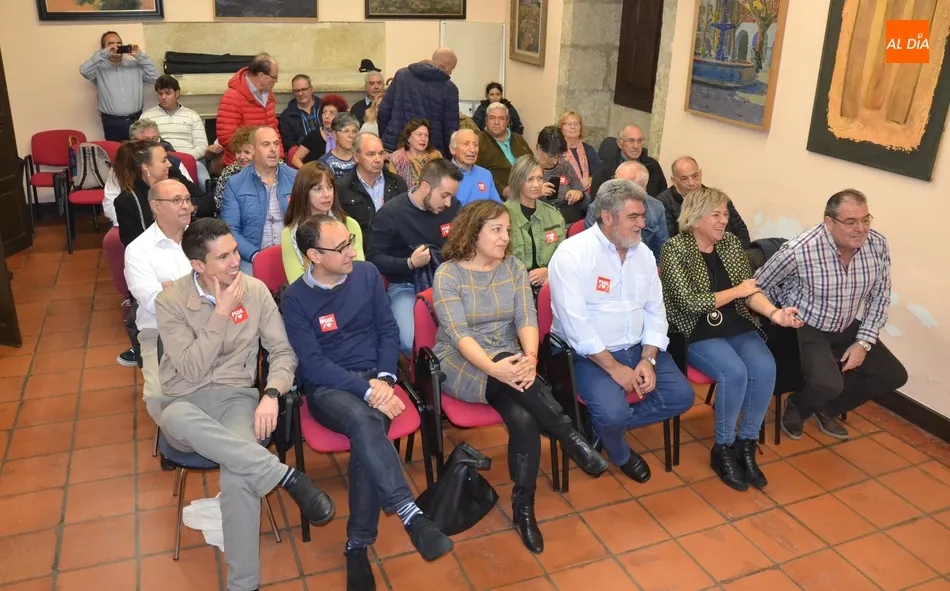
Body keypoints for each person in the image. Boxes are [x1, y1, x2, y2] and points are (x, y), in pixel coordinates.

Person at [153, 218, 335, 591]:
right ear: (198, 265)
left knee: (239, 476)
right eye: (223, 257)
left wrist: (272, 394)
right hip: (183, 401)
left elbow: (283, 352)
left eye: (235, 251)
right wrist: (221, 313)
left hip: (236, 399)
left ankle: (243, 585)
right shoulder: (169, 302)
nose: (236, 261)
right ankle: (284, 476)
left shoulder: (255, 291)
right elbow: (191, 368)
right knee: (179, 418)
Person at [281, 215, 454, 589]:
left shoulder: (367, 274)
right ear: (314, 255)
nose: (351, 252)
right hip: (329, 389)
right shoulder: (295, 299)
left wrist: (386, 379)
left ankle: (357, 545)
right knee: (364, 421)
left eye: (350, 242)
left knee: (366, 433)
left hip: (378, 380)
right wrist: (369, 392)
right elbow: (314, 364)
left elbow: (387, 330)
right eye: (340, 247)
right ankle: (408, 512)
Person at [432, 200, 607, 553]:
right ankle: (569, 435)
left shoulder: (512, 267)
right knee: (508, 371)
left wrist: (530, 357)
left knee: (524, 419)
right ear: (473, 232)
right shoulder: (448, 274)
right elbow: (458, 334)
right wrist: (495, 367)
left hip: (508, 360)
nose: (504, 237)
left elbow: (527, 317)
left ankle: (523, 504)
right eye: (496, 230)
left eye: (507, 230)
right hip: (461, 360)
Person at [549, 179, 695, 482]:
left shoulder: (643, 254)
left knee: (681, 398)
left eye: (643, 216)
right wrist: (615, 368)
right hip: (589, 355)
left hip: (638, 347)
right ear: (608, 217)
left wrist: (648, 359)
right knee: (613, 414)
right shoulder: (572, 253)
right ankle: (620, 453)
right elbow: (577, 327)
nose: (643, 224)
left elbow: (656, 310)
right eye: (634, 217)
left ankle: (599, 428)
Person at [659, 187, 803, 491]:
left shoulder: (730, 244)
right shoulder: (674, 249)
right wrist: (736, 291)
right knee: (734, 373)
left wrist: (775, 313)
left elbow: (749, 292)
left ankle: (746, 444)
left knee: (766, 367)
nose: (724, 220)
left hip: (734, 323)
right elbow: (689, 302)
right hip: (695, 328)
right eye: (716, 215)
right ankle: (722, 448)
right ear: (695, 217)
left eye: (725, 214)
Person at [755, 189, 908, 440]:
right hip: (807, 324)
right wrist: (777, 314)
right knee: (828, 383)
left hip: (845, 323)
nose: (861, 229)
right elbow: (759, 284)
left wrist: (863, 342)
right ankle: (798, 406)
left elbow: (879, 297)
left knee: (893, 374)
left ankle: (826, 408)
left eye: (865, 219)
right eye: (850, 222)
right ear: (829, 222)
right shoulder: (801, 249)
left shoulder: (877, 244)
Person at [367, 159, 462, 357]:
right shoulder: (391, 213)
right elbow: (374, 259)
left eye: (451, 196)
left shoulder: (453, 208)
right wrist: (409, 263)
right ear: (425, 187)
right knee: (411, 341)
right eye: (444, 195)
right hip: (406, 285)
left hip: (449, 282)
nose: (448, 203)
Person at [123, 179, 195, 405]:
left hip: (208, 325)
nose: (186, 206)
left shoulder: (202, 239)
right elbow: (156, 304)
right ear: (156, 207)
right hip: (159, 332)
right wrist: (196, 291)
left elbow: (222, 284)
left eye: (187, 199)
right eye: (177, 200)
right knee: (158, 398)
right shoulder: (138, 250)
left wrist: (173, 289)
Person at [220, 127, 297, 274]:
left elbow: (308, 220)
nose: (273, 149)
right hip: (251, 256)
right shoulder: (235, 184)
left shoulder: (296, 178)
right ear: (252, 149)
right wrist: (255, 255)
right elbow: (230, 229)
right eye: (266, 144)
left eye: (276, 144)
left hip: (293, 253)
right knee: (248, 283)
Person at [113, 139, 207, 247]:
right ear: (146, 167)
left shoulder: (174, 176)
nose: (170, 164)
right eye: (164, 160)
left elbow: (208, 202)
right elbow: (132, 244)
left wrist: (190, 207)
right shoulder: (127, 200)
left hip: (189, 244)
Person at [104, 118, 197, 226]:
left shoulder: (173, 164)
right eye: (147, 140)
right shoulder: (120, 169)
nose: (154, 144)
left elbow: (193, 195)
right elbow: (109, 205)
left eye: (156, 139)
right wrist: (129, 221)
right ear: (134, 143)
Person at [282, 162, 364, 283]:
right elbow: (296, 281)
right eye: (318, 189)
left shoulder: (350, 224)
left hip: (350, 288)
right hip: (311, 292)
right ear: (303, 192)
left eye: (330, 187)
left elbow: (359, 270)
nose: (327, 194)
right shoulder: (289, 233)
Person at [378, 48, 459, 158]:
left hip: (394, 146)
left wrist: (387, 137)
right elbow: (450, 128)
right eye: (452, 69)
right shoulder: (449, 88)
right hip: (429, 151)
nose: (450, 73)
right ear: (446, 64)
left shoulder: (401, 75)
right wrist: (448, 156)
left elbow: (384, 111)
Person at [80, 30, 159, 141]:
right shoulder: (98, 69)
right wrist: (104, 53)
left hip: (136, 120)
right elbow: (84, 71)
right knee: (115, 151)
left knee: (139, 151)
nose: (116, 47)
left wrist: (140, 56)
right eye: (111, 44)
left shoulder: (135, 65)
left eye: (119, 43)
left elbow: (154, 77)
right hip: (112, 123)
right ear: (104, 48)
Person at [656, 157, 751, 247]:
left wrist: (734, 254)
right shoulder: (663, 203)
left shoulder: (718, 198)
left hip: (726, 252)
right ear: (674, 181)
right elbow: (669, 240)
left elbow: (741, 230)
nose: (691, 183)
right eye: (684, 179)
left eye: (695, 176)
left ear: (700, 174)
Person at [584, 161, 669, 261]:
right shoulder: (597, 207)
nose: (615, 189)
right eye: (615, 181)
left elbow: (661, 252)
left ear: (642, 189)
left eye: (623, 186)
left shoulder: (656, 208)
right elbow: (593, 250)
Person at [140, 75, 213, 187]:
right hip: (159, 163)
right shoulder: (147, 116)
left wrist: (183, 158)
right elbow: (140, 146)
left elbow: (202, 146)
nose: (163, 97)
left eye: (167, 93)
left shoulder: (192, 116)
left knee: (205, 183)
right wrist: (164, 160)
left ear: (177, 93)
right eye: (160, 94)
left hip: (190, 160)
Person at [504, 155, 564, 289]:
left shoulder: (554, 216)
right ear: (517, 181)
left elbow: (563, 256)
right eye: (530, 179)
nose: (536, 185)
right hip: (513, 286)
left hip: (548, 283)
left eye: (540, 178)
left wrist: (549, 270)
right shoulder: (502, 216)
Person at [336, 132, 408, 239]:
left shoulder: (397, 183)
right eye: (371, 154)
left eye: (381, 153)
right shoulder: (342, 187)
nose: (378, 160)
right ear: (356, 157)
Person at [216, 53, 283, 166]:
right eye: (274, 77)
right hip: (242, 164)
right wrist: (257, 154)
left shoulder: (269, 94)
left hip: (268, 161)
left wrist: (279, 156)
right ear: (261, 76)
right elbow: (226, 137)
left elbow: (273, 129)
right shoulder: (232, 97)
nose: (275, 81)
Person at [476, 102, 533, 198]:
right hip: (500, 195)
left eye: (501, 118)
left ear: (507, 121)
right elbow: (477, 175)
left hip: (528, 189)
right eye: (492, 118)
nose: (496, 122)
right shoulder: (478, 142)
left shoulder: (519, 139)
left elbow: (533, 164)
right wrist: (501, 190)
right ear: (486, 120)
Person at [593, 125, 666, 198]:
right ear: (620, 143)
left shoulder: (653, 166)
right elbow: (597, 200)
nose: (636, 146)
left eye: (639, 141)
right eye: (631, 141)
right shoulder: (604, 169)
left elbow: (662, 196)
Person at [535, 126, 586, 225]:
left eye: (559, 156)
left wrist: (578, 194)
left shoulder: (564, 165)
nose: (555, 161)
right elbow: (516, 201)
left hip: (569, 216)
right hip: (544, 222)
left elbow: (580, 190)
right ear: (539, 149)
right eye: (551, 156)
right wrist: (536, 194)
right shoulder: (529, 169)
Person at [292, 94, 349, 168]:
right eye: (324, 112)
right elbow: (295, 159)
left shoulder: (345, 136)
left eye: (331, 113)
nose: (326, 116)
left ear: (340, 117)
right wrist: (307, 172)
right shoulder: (313, 136)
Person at [387, 119, 444, 188]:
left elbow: (444, 180)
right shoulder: (396, 158)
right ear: (408, 137)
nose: (423, 139)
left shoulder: (435, 155)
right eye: (419, 134)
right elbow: (393, 186)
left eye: (426, 135)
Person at [450, 129, 501, 206]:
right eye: (466, 144)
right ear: (452, 149)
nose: (472, 150)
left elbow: (497, 206)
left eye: (475, 145)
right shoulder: (445, 174)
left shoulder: (485, 174)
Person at [212, 126, 256, 210]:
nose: (242, 157)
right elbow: (219, 203)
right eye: (238, 152)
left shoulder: (269, 170)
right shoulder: (229, 171)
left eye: (247, 152)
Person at [558, 111, 601, 194]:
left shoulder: (589, 149)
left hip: (589, 193)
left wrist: (590, 179)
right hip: (566, 193)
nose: (573, 127)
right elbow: (555, 177)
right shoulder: (557, 151)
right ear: (561, 129)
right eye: (569, 124)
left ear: (580, 128)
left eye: (576, 124)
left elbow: (600, 172)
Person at [279, 74, 323, 151]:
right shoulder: (286, 115)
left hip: (327, 151)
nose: (300, 94)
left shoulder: (324, 107)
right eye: (296, 91)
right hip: (302, 154)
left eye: (304, 89)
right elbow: (288, 142)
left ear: (311, 89)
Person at [318, 113, 360, 179]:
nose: (351, 135)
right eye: (346, 131)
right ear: (334, 134)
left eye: (354, 131)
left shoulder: (361, 157)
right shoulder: (325, 162)